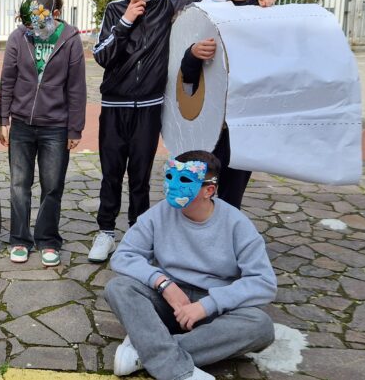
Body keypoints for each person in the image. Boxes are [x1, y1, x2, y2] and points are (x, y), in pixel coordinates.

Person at [88, 0, 277, 264]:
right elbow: (102, 56)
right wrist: (126, 21)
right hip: (114, 105)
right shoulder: (114, 10)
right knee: (110, 174)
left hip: (149, 107)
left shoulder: (167, 6)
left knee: (140, 176)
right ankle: (105, 232)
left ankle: (136, 234)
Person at [105, 150, 276, 379]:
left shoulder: (237, 224)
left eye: (185, 179)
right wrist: (164, 284)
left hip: (214, 308)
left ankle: (147, 350)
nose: (173, 185)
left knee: (260, 326)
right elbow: (124, 255)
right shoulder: (159, 214)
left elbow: (263, 282)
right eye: (169, 177)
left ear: (209, 190)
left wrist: (208, 305)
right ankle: (174, 367)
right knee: (119, 288)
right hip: (169, 301)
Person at [0, 0, 86, 267]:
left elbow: (76, 88)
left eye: (38, 23)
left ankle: (48, 239)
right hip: (21, 124)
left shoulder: (70, 39)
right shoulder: (17, 37)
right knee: (19, 185)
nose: (32, 29)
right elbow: (7, 80)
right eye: (28, 24)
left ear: (55, 14)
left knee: (52, 186)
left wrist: (75, 128)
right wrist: (3, 119)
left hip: (56, 127)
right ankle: (19, 239)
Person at [180, 0, 263, 210]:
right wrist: (192, 54)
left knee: (231, 195)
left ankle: (223, 242)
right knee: (199, 188)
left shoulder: (263, 14)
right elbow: (186, 75)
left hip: (243, 124)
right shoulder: (204, 11)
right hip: (209, 121)